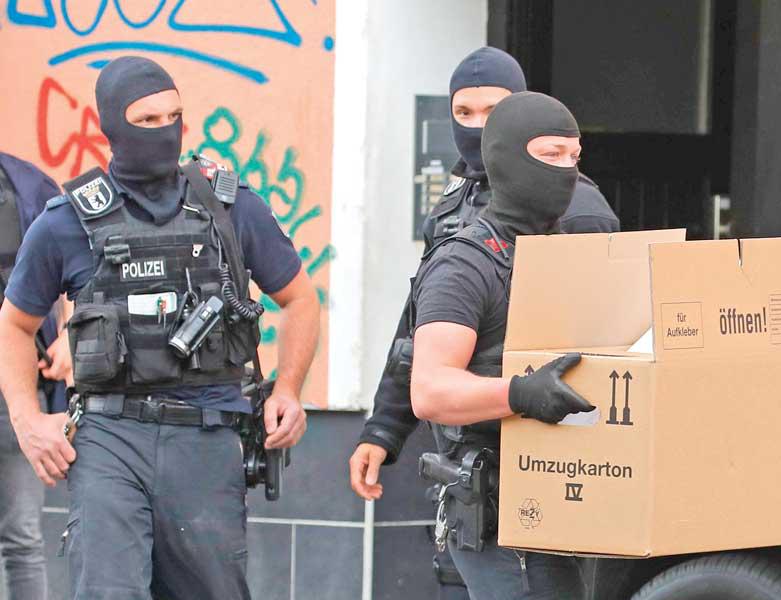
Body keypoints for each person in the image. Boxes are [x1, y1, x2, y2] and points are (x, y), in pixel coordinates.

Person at [0, 56, 320, 600]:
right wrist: (27, 420)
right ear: (111, 125)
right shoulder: (67, 220)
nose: (165, 131)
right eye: (147, 120)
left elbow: (301, 300)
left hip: (208, 434)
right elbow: (13, 323)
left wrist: (288, 389)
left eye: (174, 117)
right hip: (109, 437)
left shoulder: (229, 207)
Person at [349, 46, 618, 598]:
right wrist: (385, 427)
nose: (475, 128)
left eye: (572, 156)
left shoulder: (581, 215)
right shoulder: (459, 236)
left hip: (566, 475)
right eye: (463, 113)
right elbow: (421, 340)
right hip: (484, 474)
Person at [409, 91, 595, 599]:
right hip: (500, 515)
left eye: (574, 156)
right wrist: (519, 394)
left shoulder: (572, 256)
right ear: (509, 158)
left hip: (572, 499)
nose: (567, 170)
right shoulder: (465, 264)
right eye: (551, 154)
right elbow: (429, 390)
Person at [0, 152, 69, 600]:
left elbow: (83, 267)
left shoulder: (25, 185)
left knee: (22, 540)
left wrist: (71, 336)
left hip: (20, 392)